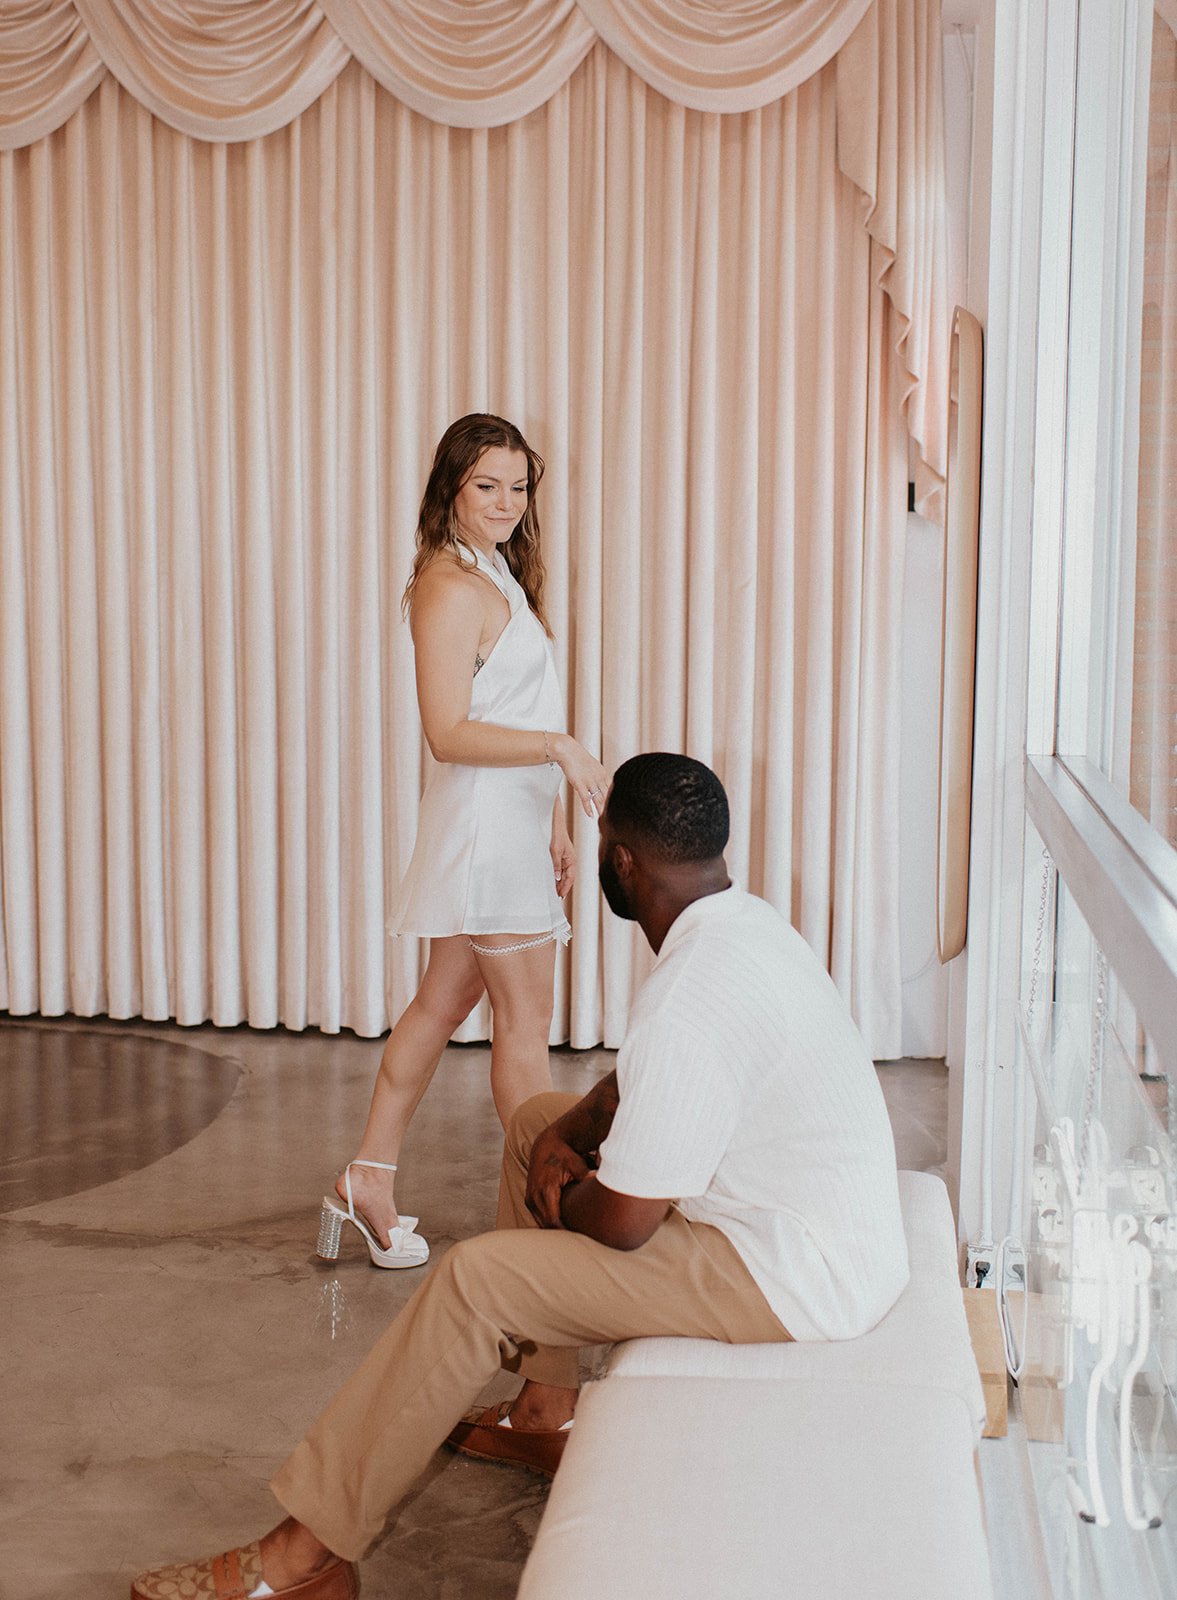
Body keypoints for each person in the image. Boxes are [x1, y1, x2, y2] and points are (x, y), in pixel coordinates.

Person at [131, 755, 910, 1600]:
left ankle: (301, 1559)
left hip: (794, 1276)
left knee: (477, 1281)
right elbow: (650, 1081)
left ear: (620, 860)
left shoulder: (690, 991)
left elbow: (623, 1224)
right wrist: (565, 1135)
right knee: (535, 1120)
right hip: (805, 1228)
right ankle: (544, 1409)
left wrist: (560, 1193)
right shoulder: (743, 926)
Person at [317, 415, 608, 1271]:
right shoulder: (448, 587)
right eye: (487, 486)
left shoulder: (496, 572)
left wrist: (551, 820)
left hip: (508, 827)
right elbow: (447, 733)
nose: (506, 503)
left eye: (518, 487)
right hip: (484, 835)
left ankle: (365, 1180)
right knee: (524, 1027)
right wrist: (560, 750)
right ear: (450, 487)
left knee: (440, 1008)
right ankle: (548, 1209)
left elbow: (514, 709)